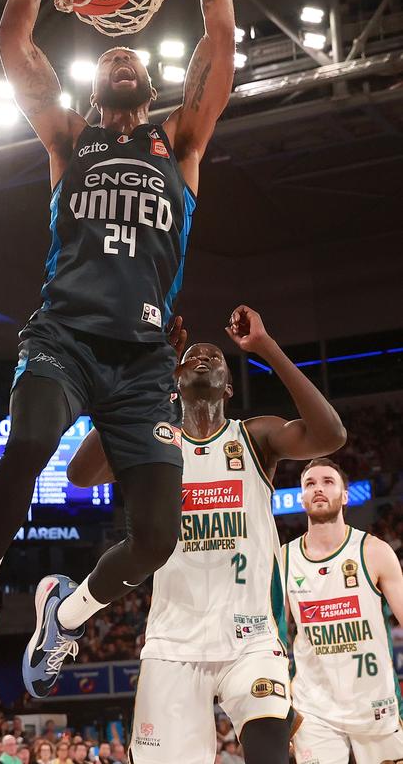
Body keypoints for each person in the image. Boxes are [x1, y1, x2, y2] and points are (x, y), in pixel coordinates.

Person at [0, 0, 236, 714]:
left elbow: (220, 33)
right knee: (26, 440)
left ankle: (67, 612)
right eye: (106, 59)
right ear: (93, 86)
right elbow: (14, 37)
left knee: (159, 538)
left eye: (131, 58)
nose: (121, 56)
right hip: (63, 336)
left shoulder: (185, 141)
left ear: (151, 81)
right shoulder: (68, 139)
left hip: (140, 363)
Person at [68, 305, 347, 764]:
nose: (202, 358)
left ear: (230, 385)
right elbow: (80, 474)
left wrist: (265, 347)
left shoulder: (255, 437)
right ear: (175, 381)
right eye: (191, 357)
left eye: (214, 358)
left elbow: (331, 434)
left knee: (269, 753)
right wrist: (144, 376)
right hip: (173, 643)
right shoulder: (155, 442)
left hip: (252, 639)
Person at [286, 457, 403, 764]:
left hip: (375, 701)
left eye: (327, 482)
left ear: (345, 495)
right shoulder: (283, 559)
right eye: (310, 484)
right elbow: (273, 636)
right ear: (302, 497)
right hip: (314, 707)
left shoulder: (375, 551)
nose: (318, 489)